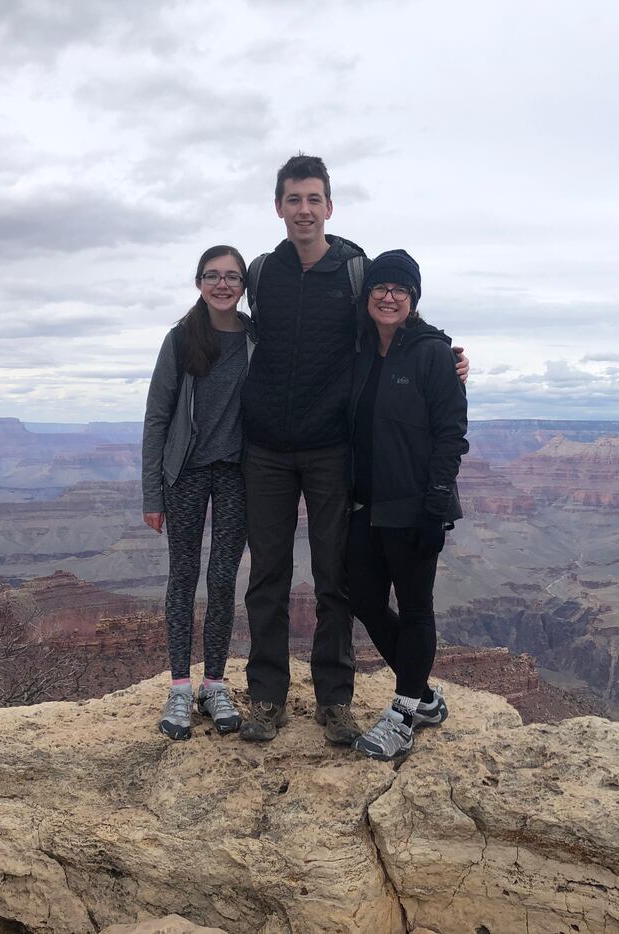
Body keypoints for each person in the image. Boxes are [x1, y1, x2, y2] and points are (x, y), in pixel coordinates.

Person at [239, 154, 468, 744]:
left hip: (329, 449)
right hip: (264, 447)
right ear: (279, 207)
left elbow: (397, 307)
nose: (304, 210)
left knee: (332, 577)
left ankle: (334, 700)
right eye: (294, 200)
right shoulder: (264, 272)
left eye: (314, 199)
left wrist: (445, 349)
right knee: (267, 574)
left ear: (330, 207)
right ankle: (266, 696)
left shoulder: (354, 269)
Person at [346, 250, 468, 760]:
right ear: (368, 294)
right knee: (365, 601)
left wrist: (435, 507)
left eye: (400, 289)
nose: (389, 296)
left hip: (414, 506)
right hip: (363, 506)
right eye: (380, 287)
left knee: (416, 608)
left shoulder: (432, 354)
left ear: (413, 297)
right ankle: (422, 695)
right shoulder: (357, 349)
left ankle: (401, 714)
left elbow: (451, 434)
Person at [142, 245, 254, 740]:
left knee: (224, 577)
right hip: (185, 472)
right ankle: (181, 687)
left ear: (244, 285)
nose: (222, 284)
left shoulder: (256, 337)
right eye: (213, 275)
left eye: (232, 276)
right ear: (199, 282)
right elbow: (157, 417)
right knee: (184, 575)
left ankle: (215, 682)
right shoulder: (181, 338)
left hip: (236, 472)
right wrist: (152, 494)